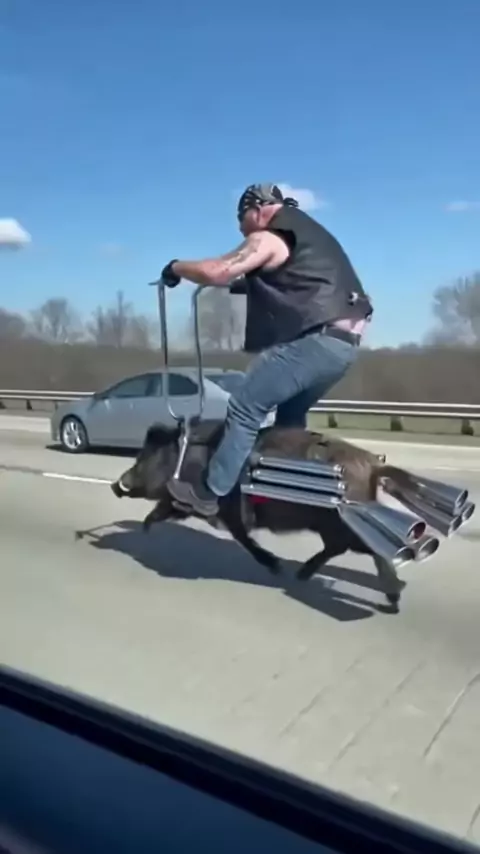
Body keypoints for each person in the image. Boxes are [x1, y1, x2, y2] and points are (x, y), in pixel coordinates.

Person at [160, 183, 373, 517]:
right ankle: (294, 486)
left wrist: (175, 268)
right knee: (289, 419)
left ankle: (209, 492)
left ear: (257, 210)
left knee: (245, 407)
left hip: (318, 342)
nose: (241, 229)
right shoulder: (310, 237)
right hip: (343, 348)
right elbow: (289, 282)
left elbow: (218, 271)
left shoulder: (270, 236)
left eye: (241, 220)